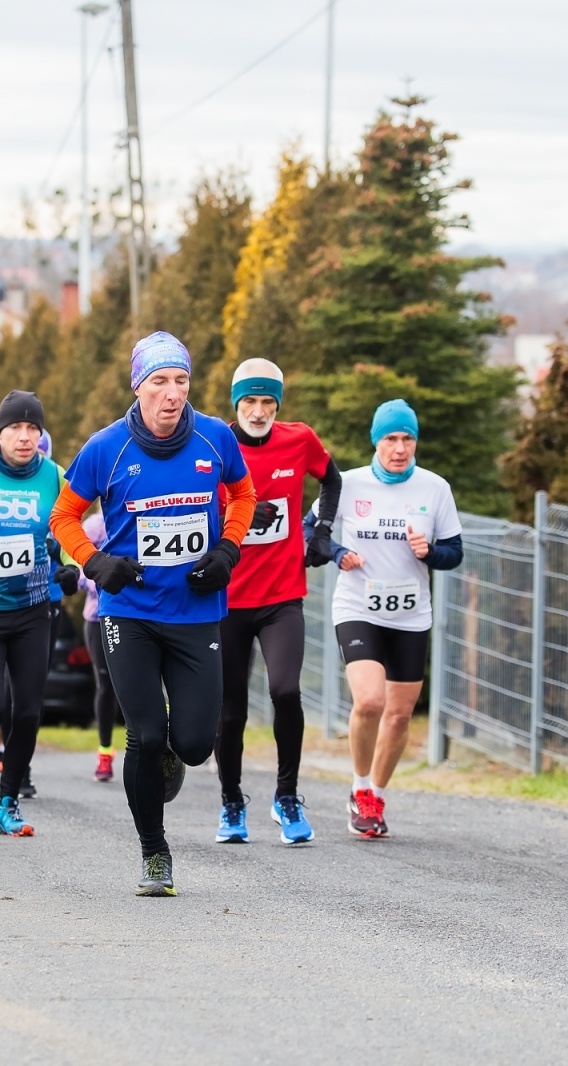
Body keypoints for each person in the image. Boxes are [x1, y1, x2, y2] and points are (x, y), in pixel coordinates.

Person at [50, 332, 257, 896]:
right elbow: (63, 516)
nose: (171, 393)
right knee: (143, 733)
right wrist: (97, 564)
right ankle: (154, 852)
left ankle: (173, 752)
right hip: (129, 613)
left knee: (192, 743)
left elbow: (243, 496)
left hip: (195, 612)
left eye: (181, 381)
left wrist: (227, 550)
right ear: (138, 386)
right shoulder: (106, 447)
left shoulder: (216, 438)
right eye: (159, 381)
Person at [306, 399, 463, 840]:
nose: (399, 448)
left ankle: (376, 793)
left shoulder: (435, 489)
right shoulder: (348, 484)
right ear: (376, 442)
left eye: (407, 438)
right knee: (370, 702)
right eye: (391, 439)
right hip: (358, 606)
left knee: (398, 715)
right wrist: (337, 552)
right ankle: (357, 788)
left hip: (411, 613)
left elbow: (455, 552)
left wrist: (429, 552)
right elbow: (307, 530)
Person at [214, 358, 343, 845]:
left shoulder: (299, 439)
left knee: (286, 691)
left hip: (282, 596)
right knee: (230, 711)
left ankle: (286, 796)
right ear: (236, 403)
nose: (259, 410)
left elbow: (332, 479)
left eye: (268, 401)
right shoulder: (216, 445)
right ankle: (231, 802)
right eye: (250, 400)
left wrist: (321, 532)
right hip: (227, 599)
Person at [0, 391, 75, 838]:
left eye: (32, 429)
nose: (24, 438)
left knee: (26, 712)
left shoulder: (56, 478)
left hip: (32, 609)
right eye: (15, 429)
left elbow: (71, 530)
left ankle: (7, 802)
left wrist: (70, 566)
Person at [77, 510, 119, 782]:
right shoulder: (94, 525)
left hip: (139, 614)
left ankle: (157, 749)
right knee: (105, 683)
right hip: (98, 617)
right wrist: (109, 579)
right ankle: (105, 752)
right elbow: (79, 571)